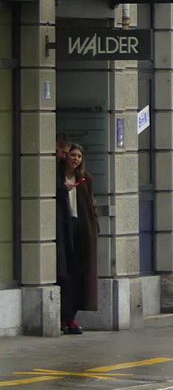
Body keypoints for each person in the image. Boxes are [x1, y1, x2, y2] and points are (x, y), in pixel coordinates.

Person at [57, 143, 99, 335]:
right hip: (62, 230)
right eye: (72, 155)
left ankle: (71, 317)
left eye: (79, 156)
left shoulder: (85, 179)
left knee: (80, 275)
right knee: (65, 275)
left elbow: (91, 204)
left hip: (80, 230)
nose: (75, 159)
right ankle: (62, 317)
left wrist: (93, 226)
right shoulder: (57, 178)